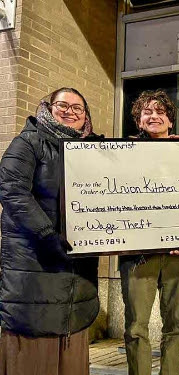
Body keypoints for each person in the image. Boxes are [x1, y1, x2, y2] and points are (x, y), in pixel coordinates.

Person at [0, 87, 101, 375]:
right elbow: (12, 190)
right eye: (63, 105)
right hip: (34, 265)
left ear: (86, 116)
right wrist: (46, 233)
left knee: (69, 347)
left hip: (75, 272)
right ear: (48, 108)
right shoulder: (28, 142)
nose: (70, 111)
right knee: (33, 354)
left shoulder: (94, 151)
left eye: (78, 108)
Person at [119, 89, 179, 375]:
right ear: (138, 121)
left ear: (171, 122)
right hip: (139, 255)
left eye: (160, 112)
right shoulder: (120, 155)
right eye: (146, 112)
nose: (154, 116)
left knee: (175, 325)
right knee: (136, 326)